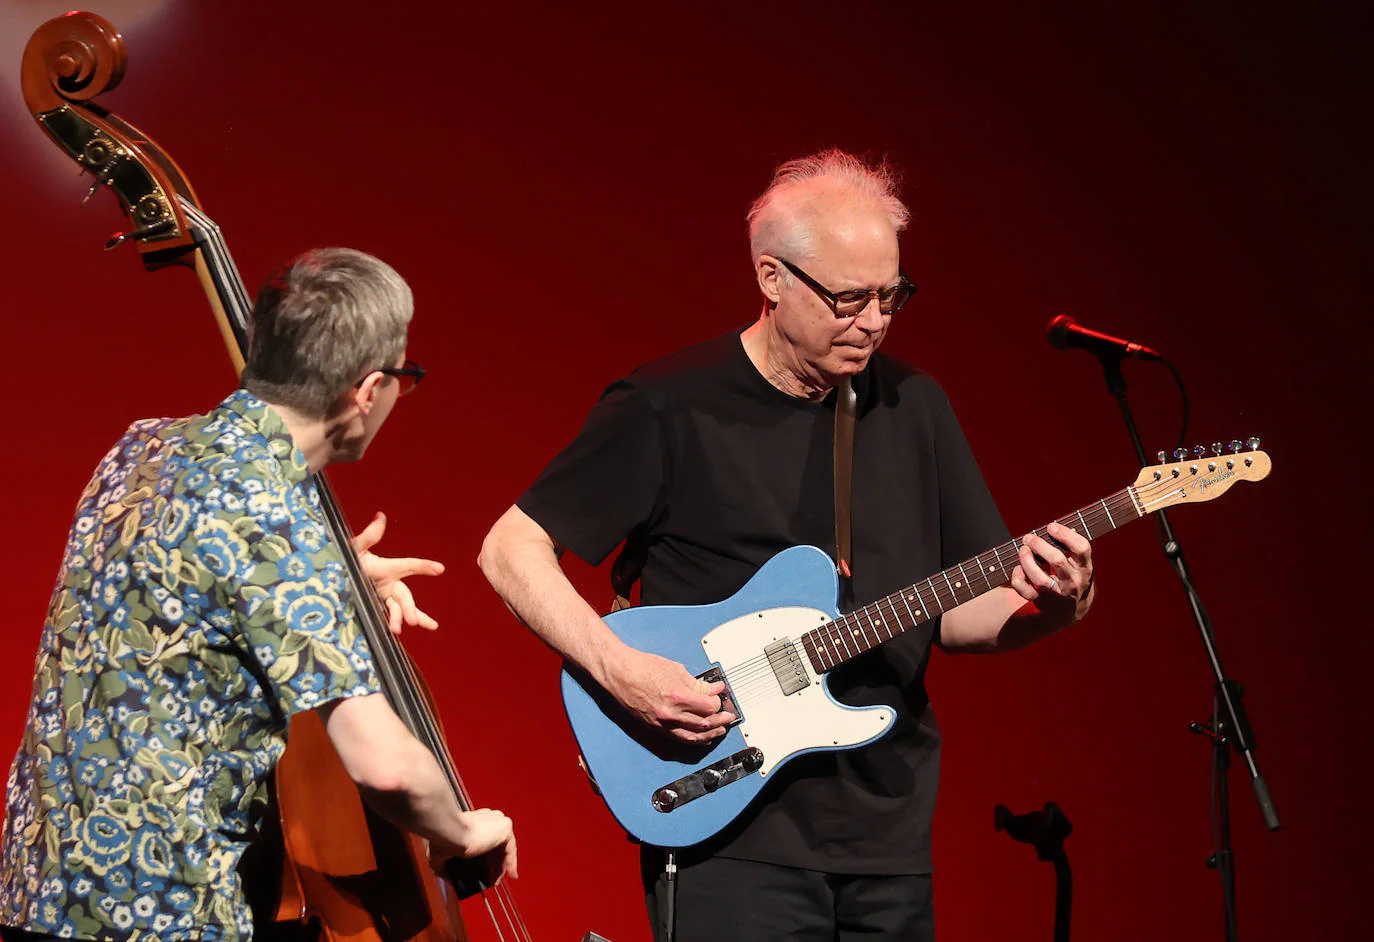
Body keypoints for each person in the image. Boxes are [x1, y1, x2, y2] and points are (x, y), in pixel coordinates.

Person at [478, 151, 1095, 941]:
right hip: (727, 821)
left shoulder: (915, 407)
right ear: (771, 279)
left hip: (888, 828)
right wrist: (620, 669)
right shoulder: (670, 404)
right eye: (847, 298)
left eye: (891, 295)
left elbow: (960, 616)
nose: (873, 320)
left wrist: (1059, 603)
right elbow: (510, 548)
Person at [0, 248, 516, 942]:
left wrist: (334, 581)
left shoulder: (143, 448)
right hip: (159, 914)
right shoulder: (280, 521)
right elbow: (385, 768)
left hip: (39, 887)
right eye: (404, 379)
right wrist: (461, 830)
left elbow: (177, 591)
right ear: (368, 390)